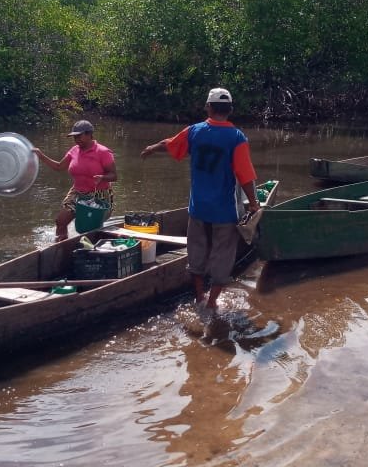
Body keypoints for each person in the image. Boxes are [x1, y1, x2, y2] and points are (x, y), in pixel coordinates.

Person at [140, 88, 260, 314]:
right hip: (224, 211)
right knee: (223, 256)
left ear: (209, 107)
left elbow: (169, 143)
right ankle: (212, 302)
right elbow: (246, 176)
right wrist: (254, 204)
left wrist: (152, 148)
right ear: (230, 110)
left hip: (198, 209)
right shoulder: (236, 137)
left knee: (196, 254)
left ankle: (199, 297)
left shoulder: (195, 131)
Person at [32, 120, 117, 242]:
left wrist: (102, 177)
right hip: (77, 192)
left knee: (89, 228)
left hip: (99, 195)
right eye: (74, 137)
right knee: (60, 221)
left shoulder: (103, 152)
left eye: (79, 136)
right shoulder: (74, 150)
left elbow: (114, 175)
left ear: (89, 134)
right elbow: (59, 167)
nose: (76, 139)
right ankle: (61, 247)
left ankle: (93, 245)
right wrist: (41, 156)